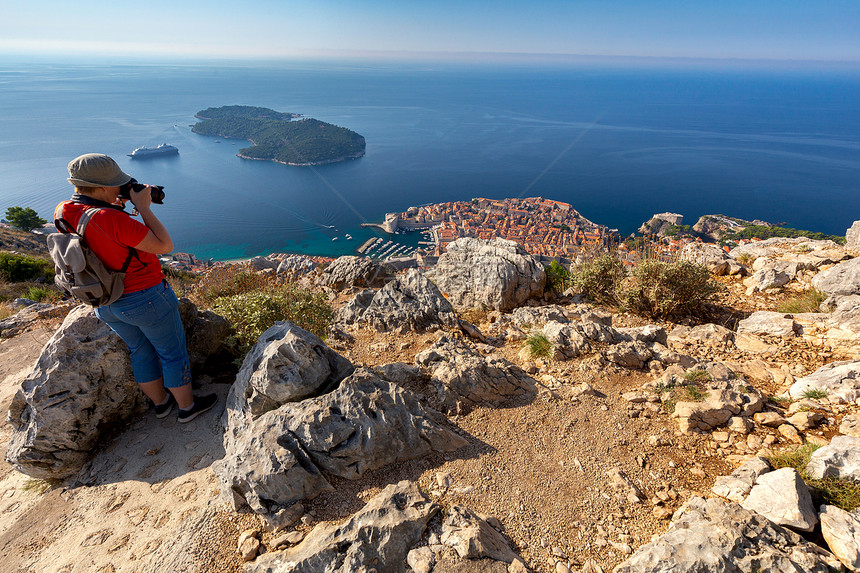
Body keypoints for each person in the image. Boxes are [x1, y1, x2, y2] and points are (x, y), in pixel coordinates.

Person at [58, 153, 217, 423]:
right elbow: (165, 246)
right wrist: (143, 208)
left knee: (140, 351)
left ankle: (161, 404)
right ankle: (187, 408)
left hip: (105, 302)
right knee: (172, 353)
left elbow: (99, 237)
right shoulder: (111, 218)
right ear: (105, 187)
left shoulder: (64, 210)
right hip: (145, 298)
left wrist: (115, 201)